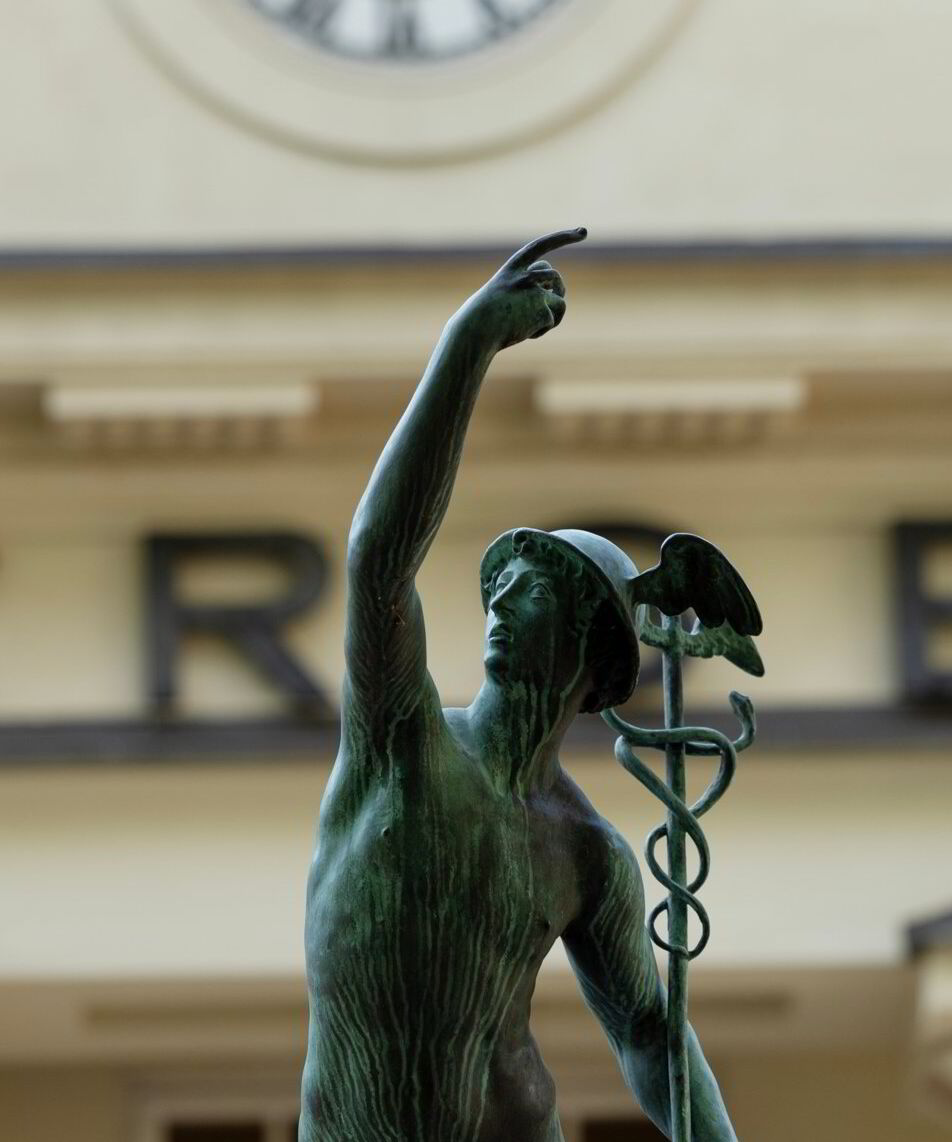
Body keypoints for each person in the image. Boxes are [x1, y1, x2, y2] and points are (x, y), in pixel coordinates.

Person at [301, 228, 737, 1141]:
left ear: (586, 637)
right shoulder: (404, 740)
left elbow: (649, 1035)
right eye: (495, 586)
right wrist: (468, 345)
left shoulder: (585, 852)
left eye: (528, 588)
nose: (498, 602)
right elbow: (378, 560)